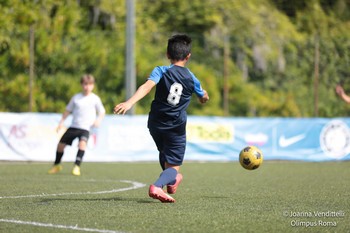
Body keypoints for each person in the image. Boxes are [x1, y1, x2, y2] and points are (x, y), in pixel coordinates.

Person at [114, 34, 209, 203]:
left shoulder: (161, 70)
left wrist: (129, 103)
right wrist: (203, 98)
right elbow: (203, 96)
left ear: (167, 55)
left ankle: (172, 181)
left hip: (155, 123)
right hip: (176, 127)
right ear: (188, 56)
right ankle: (158, 186)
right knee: (173, 166)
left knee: (165, 154)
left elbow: (147, 87)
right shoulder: (191, 78)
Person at [48, 74, 105, 176]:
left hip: (85, 128)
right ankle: (57, 165)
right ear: (81, 85)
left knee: (82, 144)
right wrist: (61, 122)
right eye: (85, 84)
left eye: (89, 84)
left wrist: (98, 120)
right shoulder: (76, 98)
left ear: (93, 86)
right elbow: (67, 110)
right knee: (60, 145)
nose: (87, 87)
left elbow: (102, 111)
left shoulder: (95, 99)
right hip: (74, 126)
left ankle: (76, 166)